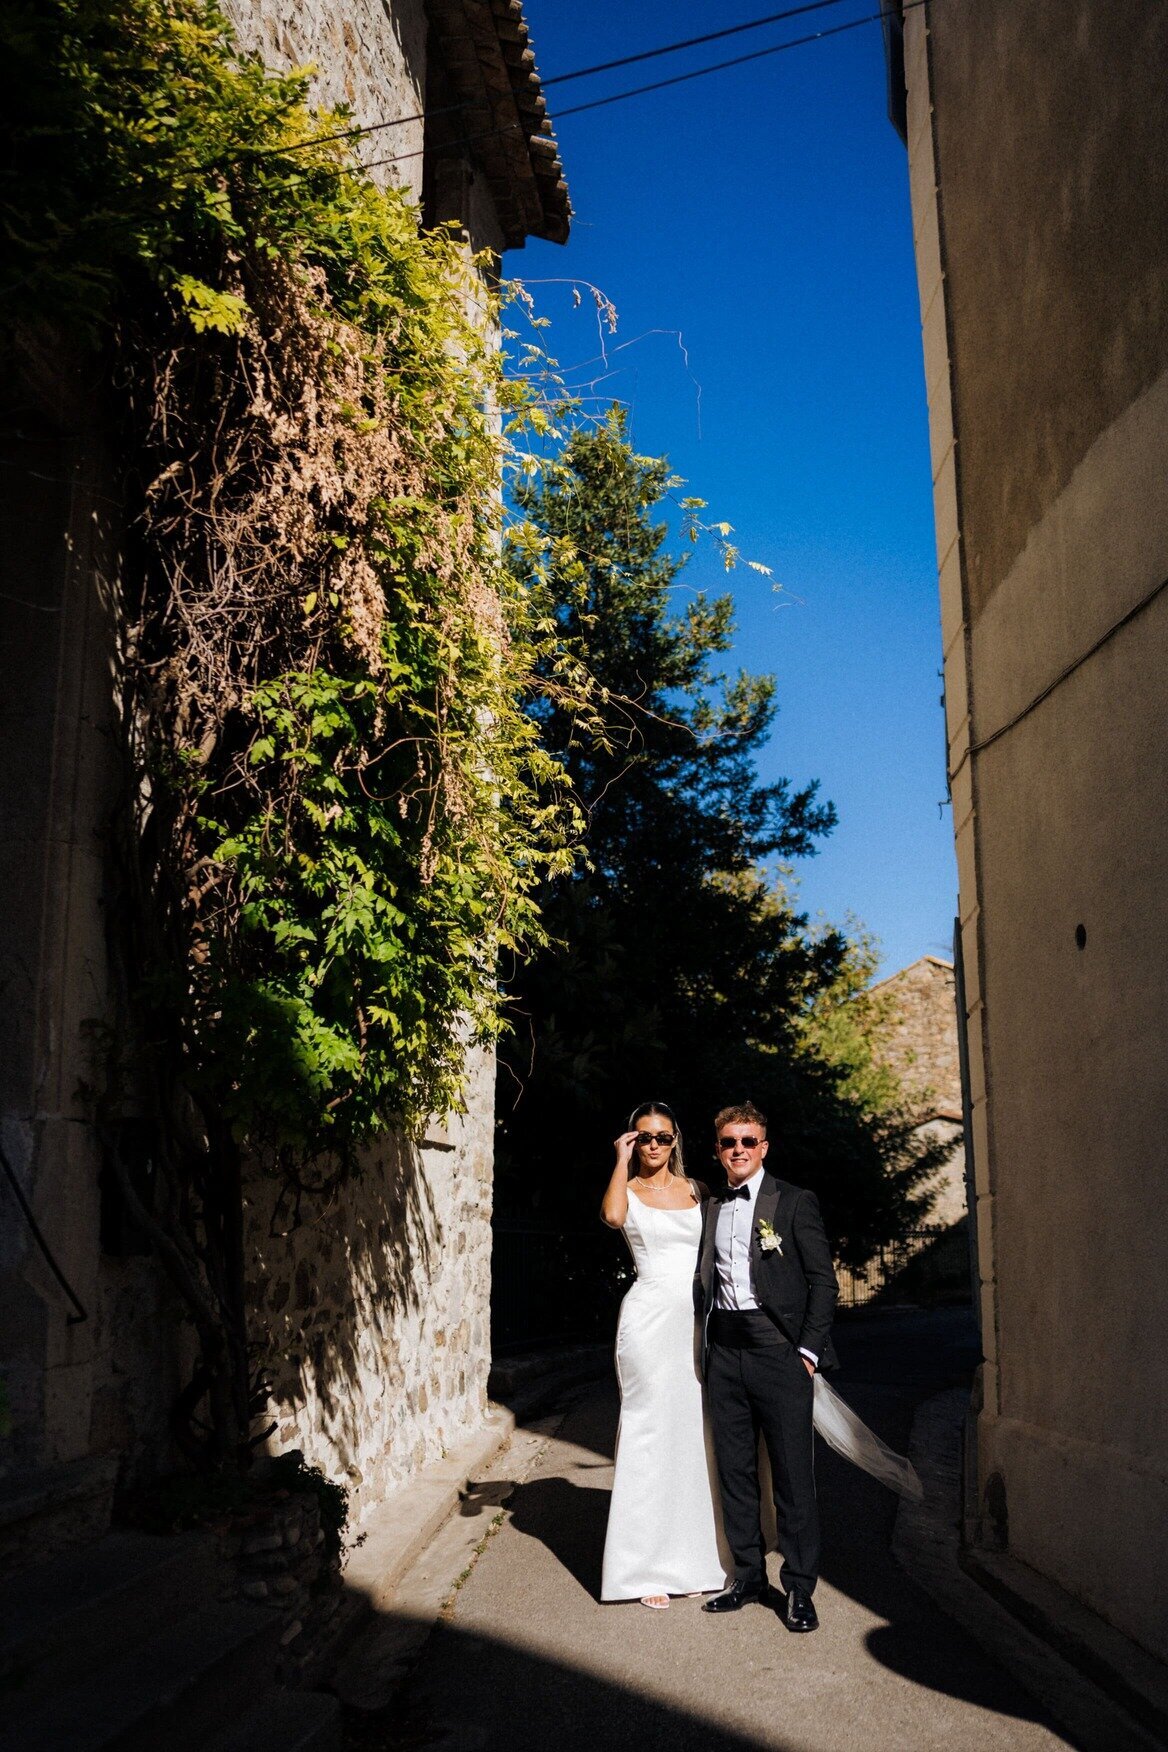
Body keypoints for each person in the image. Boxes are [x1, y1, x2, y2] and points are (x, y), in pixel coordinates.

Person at [696, 1101, 837, 1634]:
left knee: (793, 1477)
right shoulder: (710, 1208)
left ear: (764, 1147)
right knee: (735, 1472)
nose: (738, 1150)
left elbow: (825, 1283)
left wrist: (806, 1352)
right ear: (718, 1149)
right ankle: (748, 1576)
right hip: (724, 1356)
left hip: (780, 1354)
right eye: (730, 1142)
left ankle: (799, 1588)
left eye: (748, 1141)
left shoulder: (795, 1202)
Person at [599, 1102, 728, 1609]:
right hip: (648, 1321)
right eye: (644, 1137)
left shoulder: (697, 1190)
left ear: (677, 1141)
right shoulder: (626, 1191)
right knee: (648, 1432)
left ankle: (694, 1558)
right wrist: (618, 1160)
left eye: (663, 1137)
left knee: (695, 1435)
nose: (654, 1145)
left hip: (696, 1322)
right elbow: (611, 1218)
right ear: (633, 1140)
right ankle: (642, 1569)